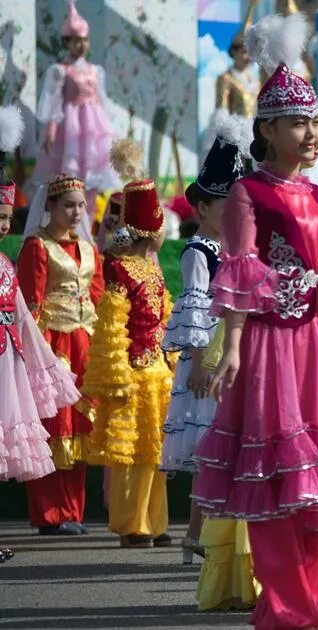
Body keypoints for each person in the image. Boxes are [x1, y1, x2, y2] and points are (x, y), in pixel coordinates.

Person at [190, 13, 318, 628]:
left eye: (315, 123)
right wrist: (231, 350)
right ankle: (281, 607)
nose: (312, 134)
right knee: (277, 474)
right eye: (300, 123)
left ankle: (311, 604)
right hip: (273, 348)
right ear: (268, 128)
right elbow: (241, 272)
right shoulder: (250, 194)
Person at [160, 112, 251, 564]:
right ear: (203, 209)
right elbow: (194, 303)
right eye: (225, 208)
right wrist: (198, 359)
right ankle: (198, 531)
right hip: (209, 355)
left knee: (227, 443)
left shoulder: (236, 249)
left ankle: (207, 532)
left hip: (234, 352)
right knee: (212, 445)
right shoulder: (201, 250)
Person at [0, 106, 82, 563]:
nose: (5, 224)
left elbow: (24, 320)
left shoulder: (6, 263)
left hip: (7, 364)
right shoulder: (29, 253)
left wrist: (43, 367)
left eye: (9, 216)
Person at [81, 178, 174, 550]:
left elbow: (162, 319)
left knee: (154, 452)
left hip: (157, 373)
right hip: (133, 373)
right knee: (130, 452)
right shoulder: (119, 270)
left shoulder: (152, 269)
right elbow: (110, 325)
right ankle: (131, 524)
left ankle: (155, 521)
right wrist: (116, 374)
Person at [17, 172, 103, 537]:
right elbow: (30, 303)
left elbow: (97, 296)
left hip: (85, 342)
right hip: (52, 345)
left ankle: (73, 511)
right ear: (49, 206)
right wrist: (32, 355)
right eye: (68, 205)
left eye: (82, 206)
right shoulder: (38, 247)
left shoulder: (89, 249)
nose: (76, 212)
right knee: (55, 427)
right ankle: (49, 513)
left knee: (79, 429)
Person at [32, 2, 118, 207]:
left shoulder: (95, 70)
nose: (82, 45)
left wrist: (108, 132)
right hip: (70, 128)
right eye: (76, 41)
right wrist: (51, 131)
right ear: (67, 43)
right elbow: (54, 102)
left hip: (93, 129)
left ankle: (87, 220)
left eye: (85, 40)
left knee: (92, 176)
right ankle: (69, 220)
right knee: (70, 174)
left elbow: (102, 101)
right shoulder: (60, 70)